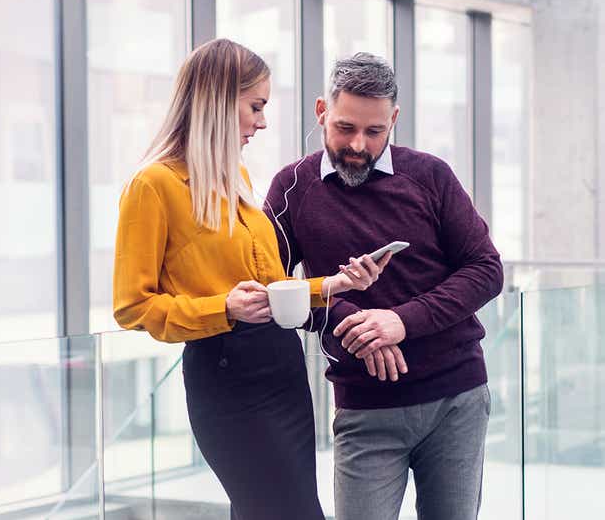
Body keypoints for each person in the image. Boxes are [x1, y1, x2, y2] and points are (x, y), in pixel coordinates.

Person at [112, 39, 390, 520]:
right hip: (228, 379)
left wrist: (333, 286)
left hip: (281, 371)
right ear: (219, 103)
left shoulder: (233, 177)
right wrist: (222, 308)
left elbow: (265, 287)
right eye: (255, 106)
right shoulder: (153, 186)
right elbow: (133, 307)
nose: (261, 122)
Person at [263, 52, 504, 520]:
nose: (358, 145)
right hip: (364, 410)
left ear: (393, 119)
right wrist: (350, 321)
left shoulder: (430, 176)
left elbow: (485, 269)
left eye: (375, 132)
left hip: (456, 401)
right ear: (321, 111)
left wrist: (399, 321)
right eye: (345, 127)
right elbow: (274, 290)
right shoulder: (291, 187)